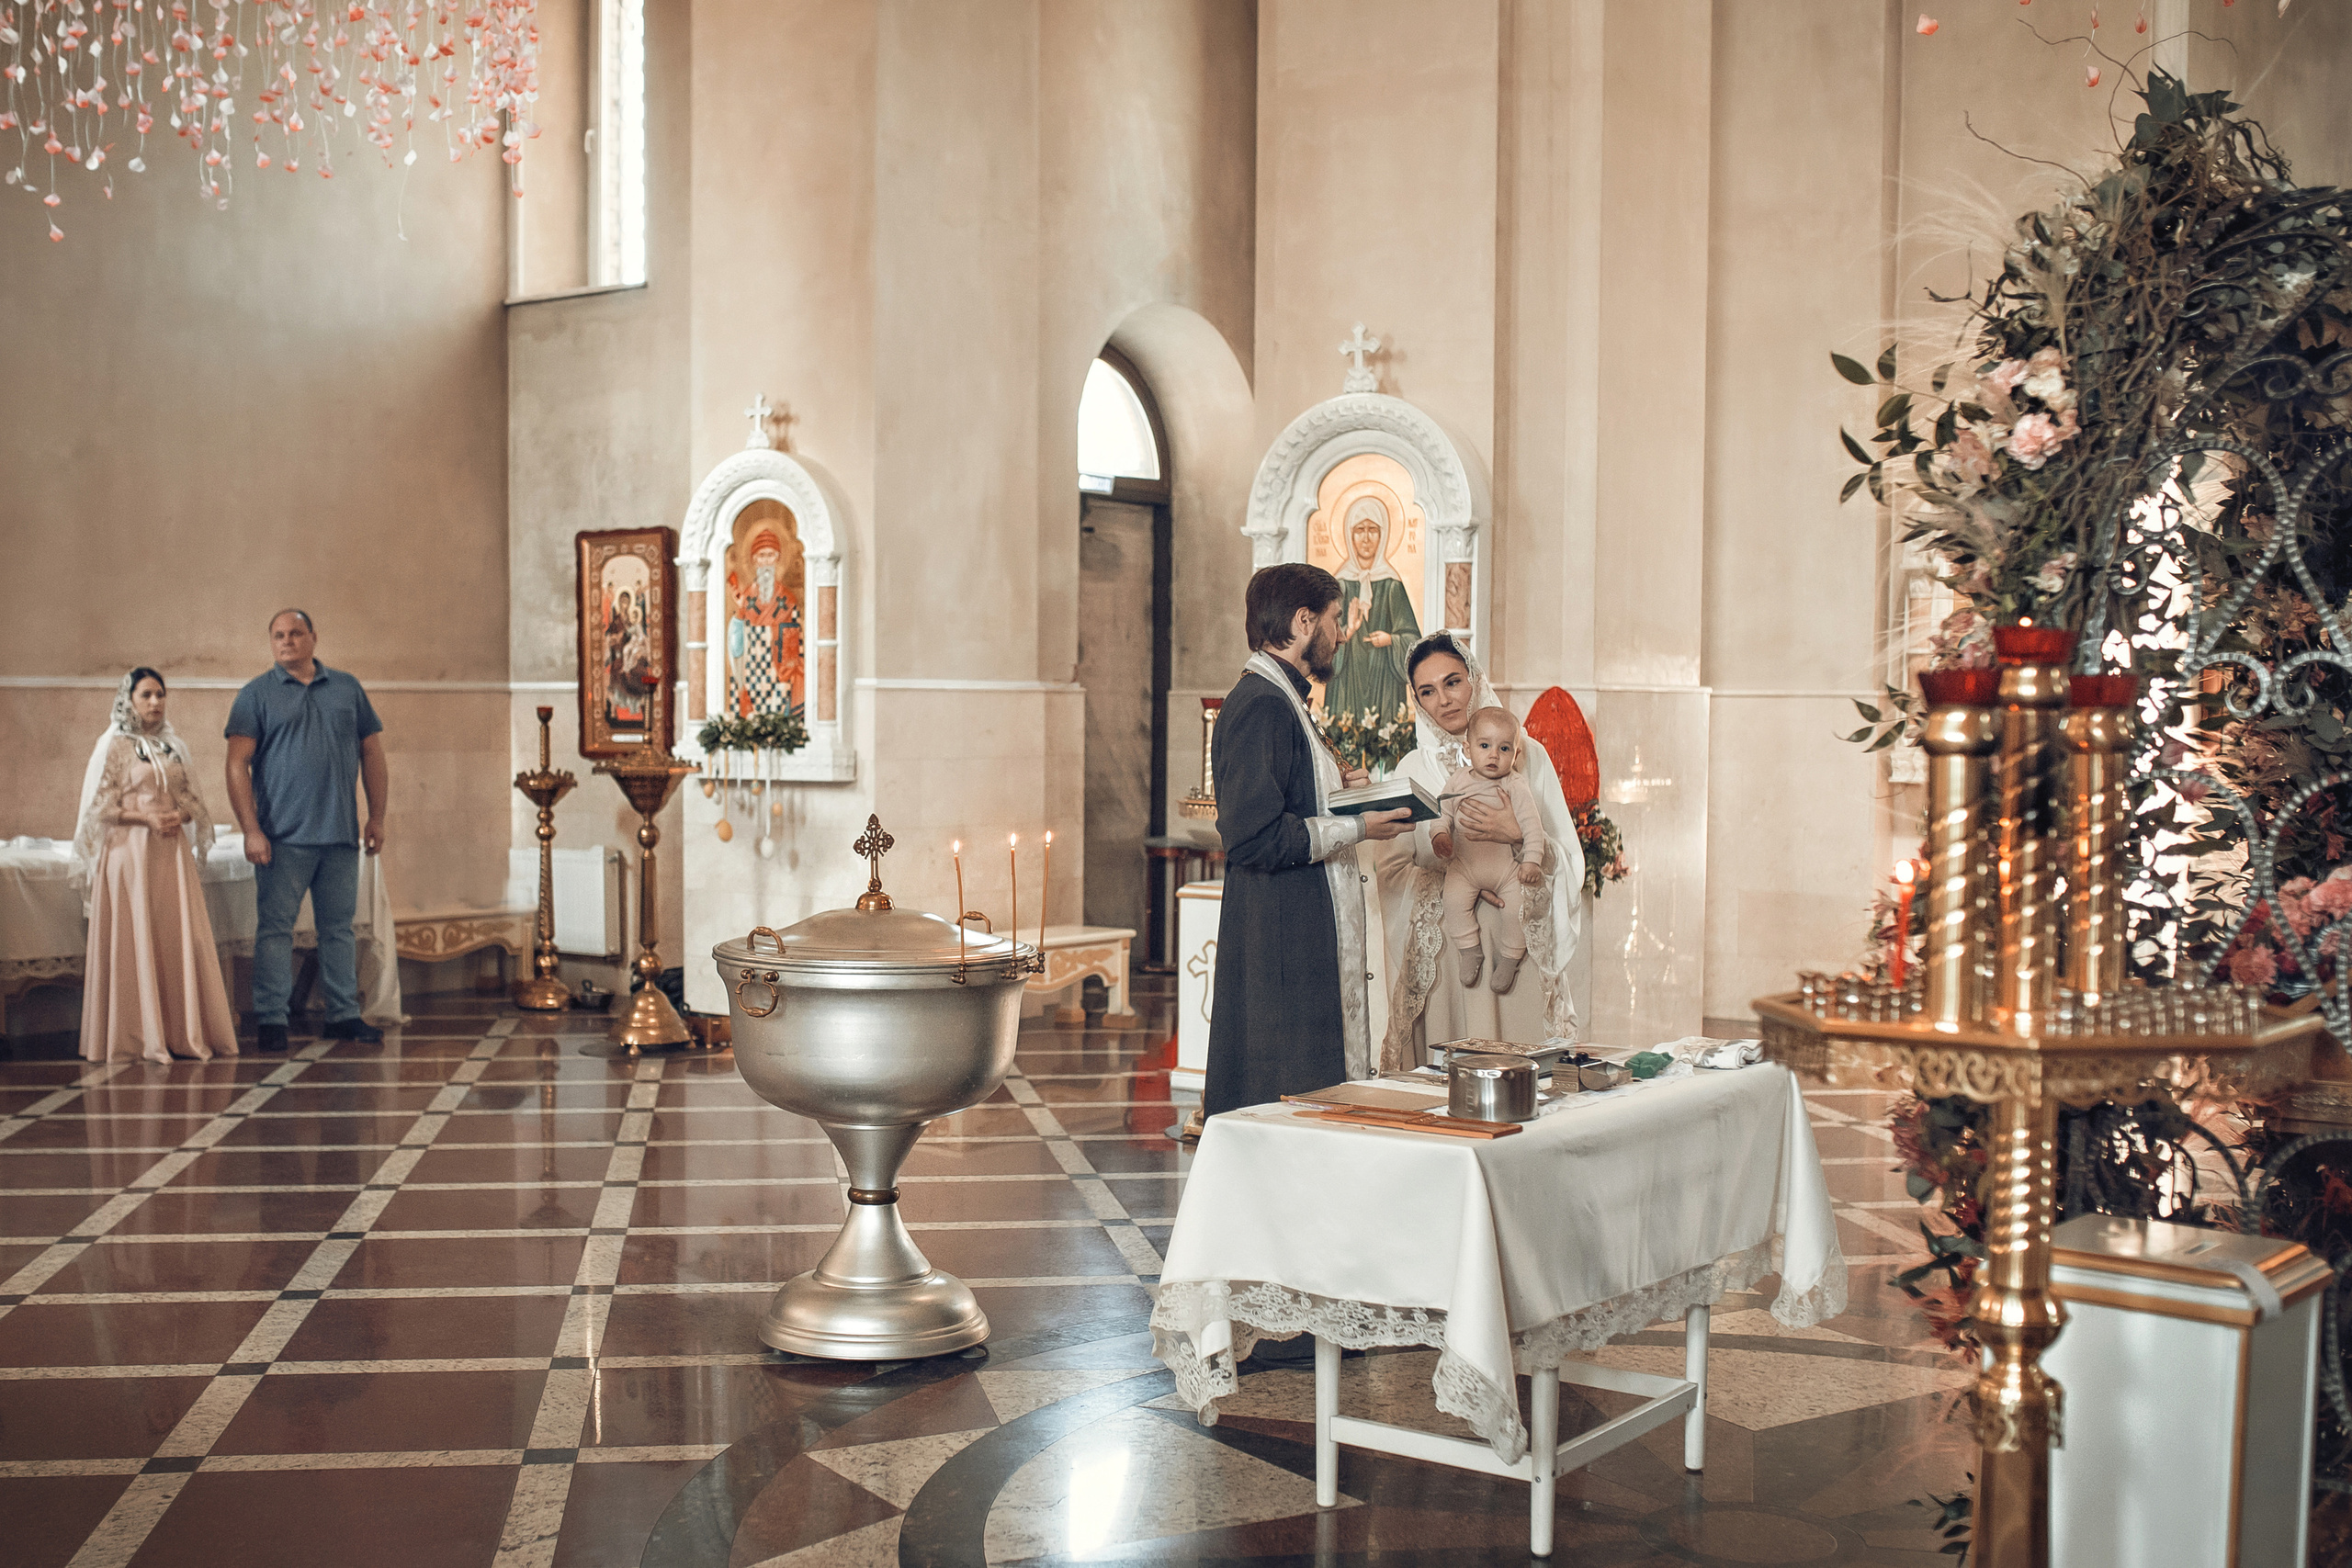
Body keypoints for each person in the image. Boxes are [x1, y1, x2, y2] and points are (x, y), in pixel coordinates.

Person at [1204, 563, 1416, 1119]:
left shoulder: (1287, 699)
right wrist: (1360, 826)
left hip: (1299, 935)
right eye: (1334, 619)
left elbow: (1293, 803)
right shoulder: (1260, 705)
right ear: (1304, 622)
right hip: (1284, 947)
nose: (1341, 634)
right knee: (1286, 1100)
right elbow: (1252, 838)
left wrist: (1346, 795)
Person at [1369, 634, 1584, 1066]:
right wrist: (1456, 877)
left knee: (1523, 1092)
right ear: (1417, 700)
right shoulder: (1413, 768)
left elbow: (1569, 856)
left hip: (1517, 945)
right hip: (1448, 959)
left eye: (1453, 682)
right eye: (1427, 691)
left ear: (1475, 679)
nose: (1444, 700)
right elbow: (1391, 872)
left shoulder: (1530, 756)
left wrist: (1517, 837)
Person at [225, 610, 389, 1052]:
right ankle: (272, 1020)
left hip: (338, 834)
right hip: (282, 838)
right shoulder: (255, 695)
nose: (287, 642)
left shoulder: (347, 688)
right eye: (278, 635)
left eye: (296, 633)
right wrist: (250, 829)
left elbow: (371, 752)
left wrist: (377, 816)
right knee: (275, 929)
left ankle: (342, 1015)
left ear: (314, 637)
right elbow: (236, 763)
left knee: (339, 930)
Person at [71, 669, 239, 1062]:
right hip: (129, 853)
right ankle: (137, 1035)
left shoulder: (172, 746)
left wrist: (180, 816)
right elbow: (99, 809)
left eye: (160, 694)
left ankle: (181, 1031)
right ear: (128, 700)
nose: (154, 702)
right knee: (135, 938)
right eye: (145, 695)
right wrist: (143, 819)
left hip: (169, 854)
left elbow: (191, 798)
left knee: (173, 935)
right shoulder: (113, 746)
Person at [1434, 706, 1547, 992]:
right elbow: (1441, 812)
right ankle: (1469, 949)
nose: (1494, 755)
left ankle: (1511, 957)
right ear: (1468, 748)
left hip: (1506, 870)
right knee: (1453, 901)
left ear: (1516, 754)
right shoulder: (1458, 780)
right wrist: (1439, 836)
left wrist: (1531, 861)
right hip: (1464, 866)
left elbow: (1532, 826)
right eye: (1485, 746)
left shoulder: (1515, 785)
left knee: (1516, 911)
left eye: (1504, 748)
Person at [1323, 498, 1419, 726]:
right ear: (1349, 535)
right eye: (1359, 530)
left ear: (1383, 535)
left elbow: (1414, 641)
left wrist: (1391, 640)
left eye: (1373, 530)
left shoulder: (1392, 585)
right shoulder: (1339, 585)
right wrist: (1347, 631)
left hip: (1384, 681)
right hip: (1346, 685)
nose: (1366, 539)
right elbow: (1320, 642)